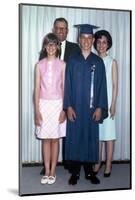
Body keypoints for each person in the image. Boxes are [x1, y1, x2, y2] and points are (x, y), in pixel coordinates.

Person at [63, 24, 108, 185]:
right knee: (74, 139)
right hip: (75, 108)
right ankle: (74, 173)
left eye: (89, 38)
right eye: (83, 38)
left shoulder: (98, 62)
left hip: (91, 110)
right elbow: (67, 84)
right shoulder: (73, 60)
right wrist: (68, 106)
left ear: (93, 40)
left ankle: (89, 173)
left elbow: (103, 86)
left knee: (90, 139)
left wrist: (100, 107)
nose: (86, 41)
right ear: (79, 39)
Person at [39, 18, 80, 174]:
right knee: (50, 132)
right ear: (53, 29)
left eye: (64, 29)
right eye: (58, 28)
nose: (61, 31)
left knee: (68, 131)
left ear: (67, 31)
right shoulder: (45, 50)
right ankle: (48, 165)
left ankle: (69, 161)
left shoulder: (75, 48)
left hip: (71, 95)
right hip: (50, 99)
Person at [34, 33, 66, 184]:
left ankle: (53, 170)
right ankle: (46, 170)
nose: (51, 47)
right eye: (48, 44)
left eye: (54, 44)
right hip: (43, 105)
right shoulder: (39, 65)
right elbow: (37, 89)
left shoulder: (63, 64)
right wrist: (36, 110)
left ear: (58, 46)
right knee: (45, 139)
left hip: (58, 104)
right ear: (45, 47)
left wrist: (64, 109)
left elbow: (64, 88)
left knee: (55, 139)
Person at [93, 30, 118, 177]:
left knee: (108, 135)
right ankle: (97, 162)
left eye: (104, 42)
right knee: (98, 136)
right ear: (95, 43)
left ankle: (108, 164)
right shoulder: (94, 61)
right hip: (96, 104)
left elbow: (115, 85)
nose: (101, 45)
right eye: (99, 42)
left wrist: (113, 104)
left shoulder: (112, 62)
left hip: (108, 103)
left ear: (108, 44)